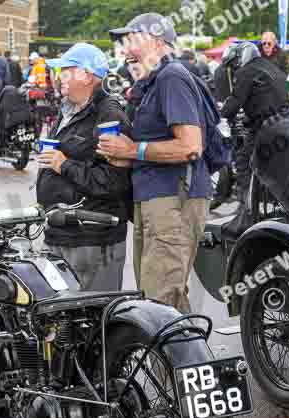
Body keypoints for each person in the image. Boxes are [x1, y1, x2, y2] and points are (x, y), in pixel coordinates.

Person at [98, 13, 212, 313]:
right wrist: (123, 154)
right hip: (157, 198)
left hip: (174, 199)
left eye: (133, 40)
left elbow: (190, 146)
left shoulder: (172, 77)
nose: (125, 50)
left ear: (159, 43)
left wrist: (132, 150)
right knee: (156, 299)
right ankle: (178, 359)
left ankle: (181, 360)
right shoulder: (152, 82)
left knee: (161, 302)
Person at [35, 43, 133, 291]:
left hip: (92, 240)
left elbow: (113, 181)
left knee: (96, 320)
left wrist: (63, 164)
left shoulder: (108, 115)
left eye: (66, 71)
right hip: (60, 232)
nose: (59, 78)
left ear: (86, 75)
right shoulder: (67, 108)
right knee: (58, 319)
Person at [215, 41, 288, 218]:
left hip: (262, 126)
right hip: (283, 122)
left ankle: (246, 207)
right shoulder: (271, 67)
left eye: (234, 63)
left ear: (242, 58)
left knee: (242, 160)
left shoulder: (246, 72)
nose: (234, 67)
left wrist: (219, 115)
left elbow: (236, 100)